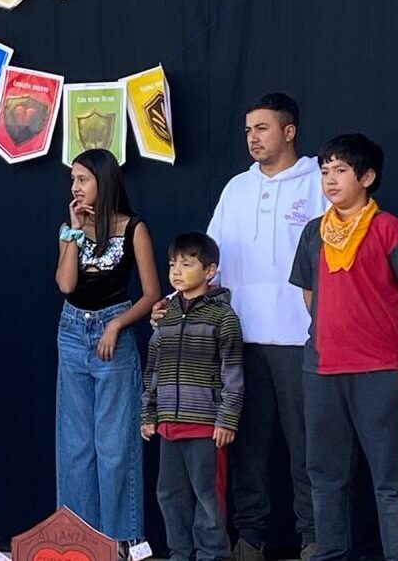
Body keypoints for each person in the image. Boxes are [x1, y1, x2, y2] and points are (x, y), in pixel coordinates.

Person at [155, 93, 323, 559]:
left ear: (289, 131)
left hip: (299, 338)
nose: (252, 137)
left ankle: (314, 538)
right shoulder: (236, 188)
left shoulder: (317, 184)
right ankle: (251, 539)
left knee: (305, 447)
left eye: (263, 128)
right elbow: (210, 263)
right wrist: (174, 302)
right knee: (246, 448)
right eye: (248, 129)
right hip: (237, 339)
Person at [290, 134, 398, 561]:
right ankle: (330, 551)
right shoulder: (314, 232)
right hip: (322, 369)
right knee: (324, 473)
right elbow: (310, 295)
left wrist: (380, 337)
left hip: (379, 369)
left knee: (390, 477)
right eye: (325, 171)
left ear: (367, 177)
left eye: (342, 171)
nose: (330, 180)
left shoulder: (390, 229)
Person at [54, 148, 161, 548]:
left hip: (111, 330)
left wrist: (116, 324)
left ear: (105, 181)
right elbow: (65, 285)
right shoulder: (71, 228)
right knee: (75, 445)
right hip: (71, 330)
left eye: (83, 179)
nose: (75, 187)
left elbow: (151, 293)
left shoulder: (134, 228)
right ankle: (79, 544)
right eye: (73, 181)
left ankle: (122, 544)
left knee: (115, 447)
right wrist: (72, 231)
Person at [141, 232, 243, 561]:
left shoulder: (223, 317)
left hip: (205, 427)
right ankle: (180, 553)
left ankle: (212, 554)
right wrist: (149, 414)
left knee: (207, 496)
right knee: (169, 494)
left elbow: (233, 373)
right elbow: (152, 369)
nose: (177, 271)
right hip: (169, 426)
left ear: (210, 271)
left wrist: (227, 419)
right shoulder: (165, 316)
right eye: (173, 264)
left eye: (187, 264)